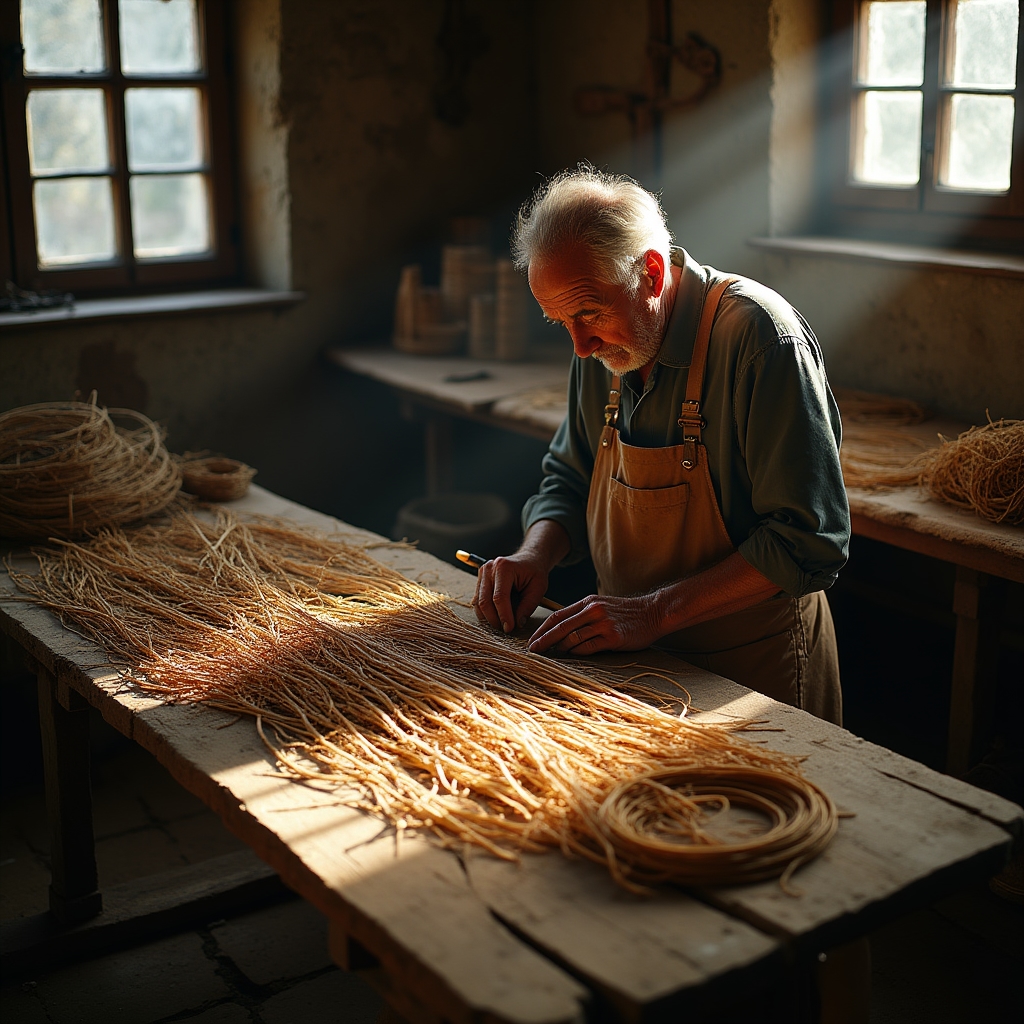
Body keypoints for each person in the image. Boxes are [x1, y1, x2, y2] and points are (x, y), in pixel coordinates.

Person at [473, 166, 850, 724]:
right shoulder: (604, 346)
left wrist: (652, 613)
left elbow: (809, 541)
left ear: (650, 273)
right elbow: (570, 477)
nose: (579, 347)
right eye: (560, 323)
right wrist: (535, 554)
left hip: (749, 673)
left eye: (589, 314)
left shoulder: (760, 341)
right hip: (632, 660)